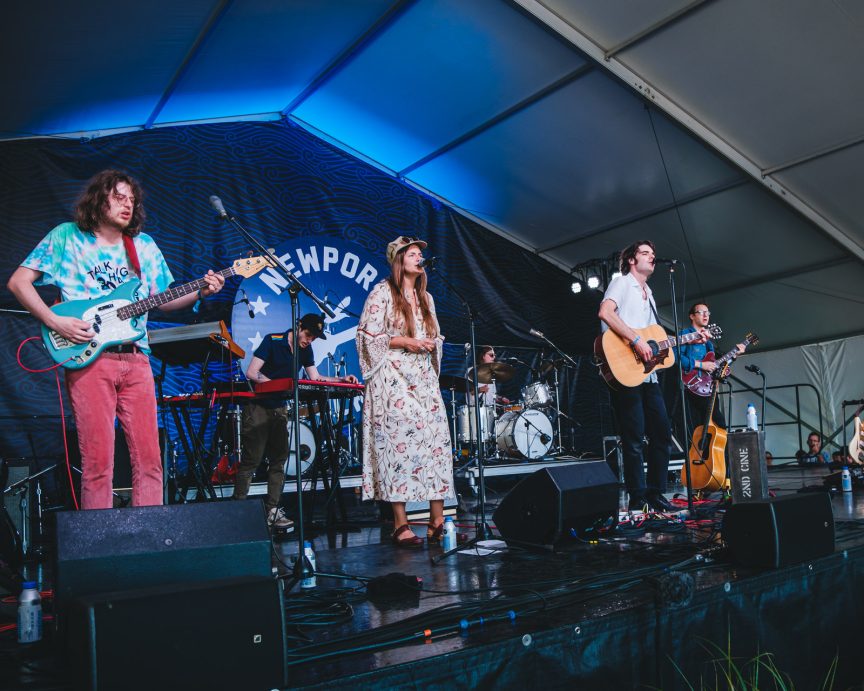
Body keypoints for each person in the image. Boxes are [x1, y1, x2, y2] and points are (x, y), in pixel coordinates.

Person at [7, 169, 225, 509]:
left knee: (151, 460)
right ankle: (99, 551)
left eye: (132, 200)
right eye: (119, 197)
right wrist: (55, 320)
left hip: (136, 358)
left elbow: (164, 299)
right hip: (90, 359)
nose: (128, 205)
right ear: (99, 198)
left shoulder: (143, 246)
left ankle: (148, 542)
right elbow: (19, 282)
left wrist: (201, 288)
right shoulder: (66, 237)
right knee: (97, 465)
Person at [356, 236, 453, 547]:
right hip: (393, 376)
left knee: (435, 440)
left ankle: (437, 520)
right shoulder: (381, 293)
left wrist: (430, 344)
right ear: (399, 260)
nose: (418, 258)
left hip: (423, 376)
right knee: (398, 447)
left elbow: (435, 335)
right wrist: (405, 342)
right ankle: (401, 523)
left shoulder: (427, 298)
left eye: (419, 255)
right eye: (412, 254)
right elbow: (368, 336)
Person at [598, 240, 708, 513]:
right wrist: (636, 340)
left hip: (649, 376)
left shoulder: (649, 292)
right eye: (645, 253)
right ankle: (637, 496)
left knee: (662, 433)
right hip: (626, 370)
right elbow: (605, 313)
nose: (652, 257)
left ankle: (656, 492)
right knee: (633, 437)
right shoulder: (623, 282)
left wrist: (693, 337)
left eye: (653, 254)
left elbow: (655, 339)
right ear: (632, 260)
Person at [234, 313, 358, 529]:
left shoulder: (305, 349)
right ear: (298, 326)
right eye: (308, 334)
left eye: (313, 338)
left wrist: (340, 379)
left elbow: (315, 377)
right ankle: (237, 510)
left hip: (280, 408)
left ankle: (272, 510)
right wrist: (275, 385)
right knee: (251, 461)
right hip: (259, 407)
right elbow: (252, 372)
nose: (309, 340)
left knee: (279, 460)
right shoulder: (272, 341)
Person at [676, 302, 745, 430]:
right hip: (691, 387)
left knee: (716, 427)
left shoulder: (709, 343)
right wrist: (702, 365)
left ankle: (713, 450)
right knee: (705, 426)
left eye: (708, 313)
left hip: (709, 388)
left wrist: (734, 356)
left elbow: (715, 366)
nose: (706, 315)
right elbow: (677, 359)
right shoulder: (684, 335)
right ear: (692, 316)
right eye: (701, 312)